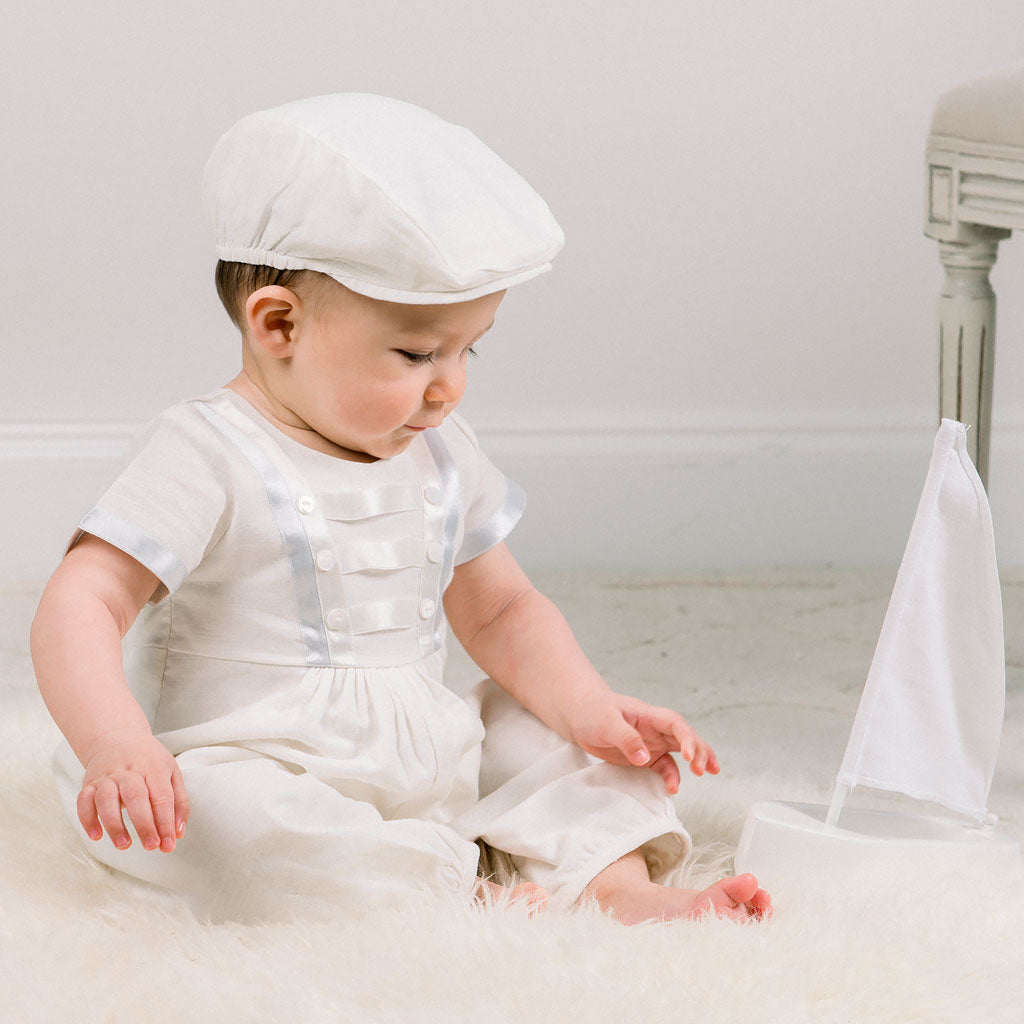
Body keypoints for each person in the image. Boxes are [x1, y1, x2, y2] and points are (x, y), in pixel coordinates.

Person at [30, 94, 770, 925]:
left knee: (555, 725)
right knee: (224, 823)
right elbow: (81, 599)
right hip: (257, 763)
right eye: (417, 353)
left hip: (430, 758)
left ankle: (618, 890)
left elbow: (502, 607)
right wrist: (115, 745)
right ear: (279, 324)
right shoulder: (207, 451)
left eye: (467, 348)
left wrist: (590, 708)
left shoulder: (443, 451)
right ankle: (461, 892)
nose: (450, 385)